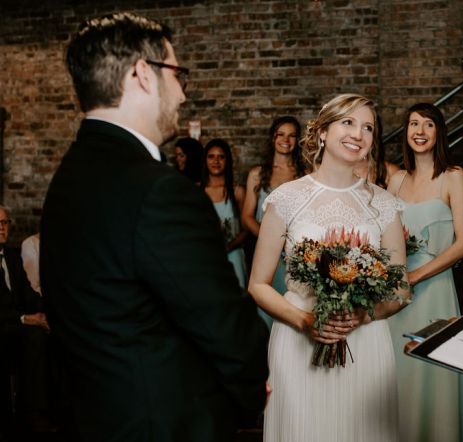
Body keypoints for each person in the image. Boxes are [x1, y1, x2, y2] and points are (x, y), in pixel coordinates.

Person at [40, 12, 268, 441]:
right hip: (165, 423)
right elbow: (222, 322)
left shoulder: (69, 177)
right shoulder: (160, 191)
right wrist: (249, 393)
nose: (182, 92)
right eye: (177, 74)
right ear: (143, 74)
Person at [248, 94, 410, 442]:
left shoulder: (384, 204)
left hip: (365, 343)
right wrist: (305, 321)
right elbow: (258, 285)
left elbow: (401, 288)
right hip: (297, 342)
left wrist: (363, 315)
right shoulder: (286, 198)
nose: (358, 134)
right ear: (322, 132)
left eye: (368, 127)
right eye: (348, 122)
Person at [386, 103, 463, 442]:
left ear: (439, 132)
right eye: (413, 124)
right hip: (395, 293)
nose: (419, 131)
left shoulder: (452, 176)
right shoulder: (395, 180)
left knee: (431, 371)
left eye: (428, 125)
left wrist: (416, 276)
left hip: (434, 287)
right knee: (398, 369)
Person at [242, 116, 306, 327]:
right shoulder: (257, 174)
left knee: (293, 305)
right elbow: (247, 216)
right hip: (266, 250)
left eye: (292, 135)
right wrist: (271, 240)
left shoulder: (305, 174)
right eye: (281, 134)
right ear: (272, 138)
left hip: (295, 252)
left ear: (297, 140)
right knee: (266, 307)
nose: (286, 140)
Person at [0, 207, 52, 434]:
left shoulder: (11, 255)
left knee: (50, 330)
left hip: (14, 323)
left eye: (5, 222)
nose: (2, 228)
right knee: (33, 335)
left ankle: (56, 405)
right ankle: (31, 413)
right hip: (3, 323)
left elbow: (29, 294)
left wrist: (49, 313)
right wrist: (24, 318)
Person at [202, 138, 248, 289]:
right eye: (211, 156)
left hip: (233, 255)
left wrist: (228, 247)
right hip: (205, 256)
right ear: (205, 160)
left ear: (227, 161)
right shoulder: (197, 191)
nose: (216, 161)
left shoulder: (237, 191)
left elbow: (246, 230)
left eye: (221, 157)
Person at [352, 116, 400, 188]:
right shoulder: (333, 171)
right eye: (348, 123)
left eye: (367, 128)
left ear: (375, 136)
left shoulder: (390, 173)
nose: (357, 136)